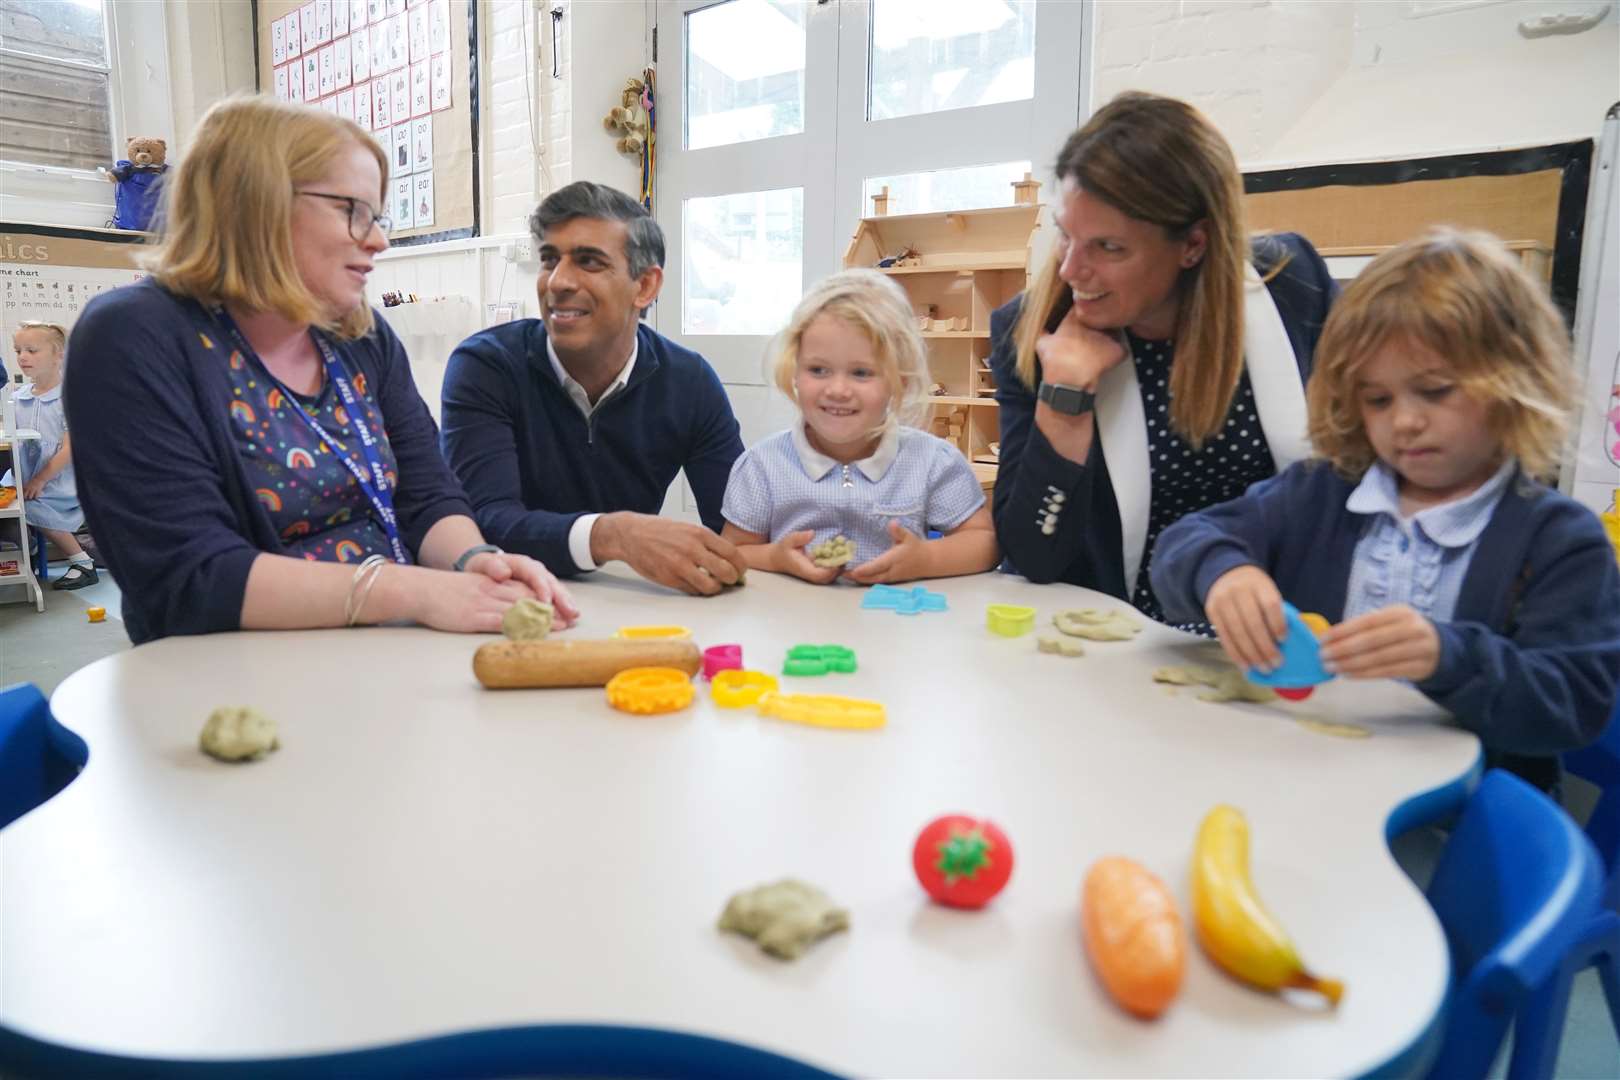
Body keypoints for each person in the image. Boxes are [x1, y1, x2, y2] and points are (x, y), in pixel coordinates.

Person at [67, 96, 576, 645]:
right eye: (352, 210)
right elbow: (190, 576)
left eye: (376, 217)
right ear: (257, 203)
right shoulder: (135, 335)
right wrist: (417, 592)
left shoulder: (361, 335)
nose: (379, 240)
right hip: (230, 674)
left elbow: (428, 496)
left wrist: (474, 560)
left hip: (383, 648)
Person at [1151, 229, 1620, 784]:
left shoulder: (1560, 539)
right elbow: (1181, 546)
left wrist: (1448, 658)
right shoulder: (1322, 493)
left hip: (1455, 822)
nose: (1405, 421)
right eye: (1378, 399)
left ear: (1514, 380)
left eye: (1436, 390)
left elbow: (1572, 706)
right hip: (1295, 777)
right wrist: (1223, 574)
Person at [990, 91, 1338, 631]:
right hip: (1125, 649)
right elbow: (1035, 558)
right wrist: (1063, 404)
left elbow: (1359, 475)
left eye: (1108, 247)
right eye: (1066, 235)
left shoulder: (1295, 287)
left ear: (1193, 244)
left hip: (1289, 638)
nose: (1070, 271)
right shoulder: (1031, 332)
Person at [441, 181, 748, 597]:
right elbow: (482, 523)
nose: (558, 282)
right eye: (550, 259)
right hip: (510, 603)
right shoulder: (486, 366)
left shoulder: (689, 381)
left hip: (630, 606)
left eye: (588, 262)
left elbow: (736, 528)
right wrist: (612, 535)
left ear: (645, 287)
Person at [721, 270, 999, 584]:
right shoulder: (762, 466)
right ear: (794, 372)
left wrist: (925, 559)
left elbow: (984, 542)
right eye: (818, 369)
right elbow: (733, 551)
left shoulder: (933, 461)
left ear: (900, 381)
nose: (838, 389)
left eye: (861, 373)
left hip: (894, 624)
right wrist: (775, 557)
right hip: (793, 627)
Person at [4, 322, 96, 589]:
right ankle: (26, 550)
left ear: (59, 355)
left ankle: (82, 562)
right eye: (18, 350)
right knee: (9, 505)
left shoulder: (70, 397)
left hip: (58, 482)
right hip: (23, 477)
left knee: (28, 506)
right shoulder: (18, 396)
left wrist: (39, 480)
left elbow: (70, 448)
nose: (22, 357)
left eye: (32, 350)